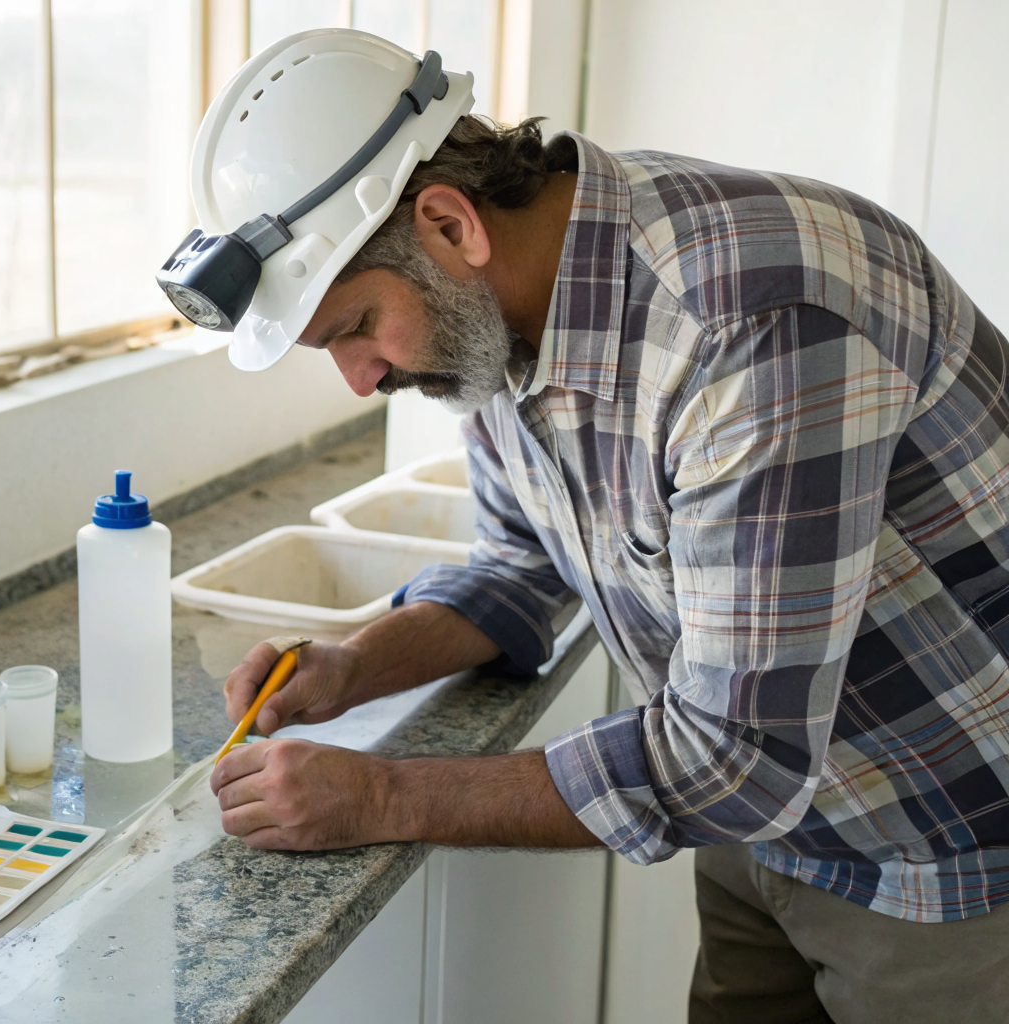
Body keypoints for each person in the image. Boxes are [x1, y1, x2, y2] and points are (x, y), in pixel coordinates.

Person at [157, 28, 1009, 1024]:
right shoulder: (491, 327)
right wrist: (355, 663)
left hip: (949, 848)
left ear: (448, 224)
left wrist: (380, 798)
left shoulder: (745, 320)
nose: (359, 377)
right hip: (770, 834)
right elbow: (524, 566)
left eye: (353, 327)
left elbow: (738, 757)